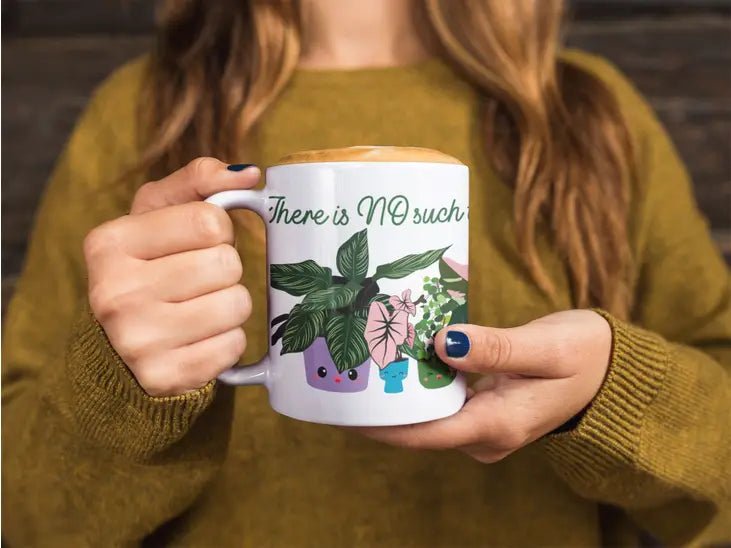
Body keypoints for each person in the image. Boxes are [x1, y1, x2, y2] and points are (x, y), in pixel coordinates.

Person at [3, 0, 729, 545]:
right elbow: (23, 515)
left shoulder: (585, 118)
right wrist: (122, 387)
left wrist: (616, 394)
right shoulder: (142, 115)